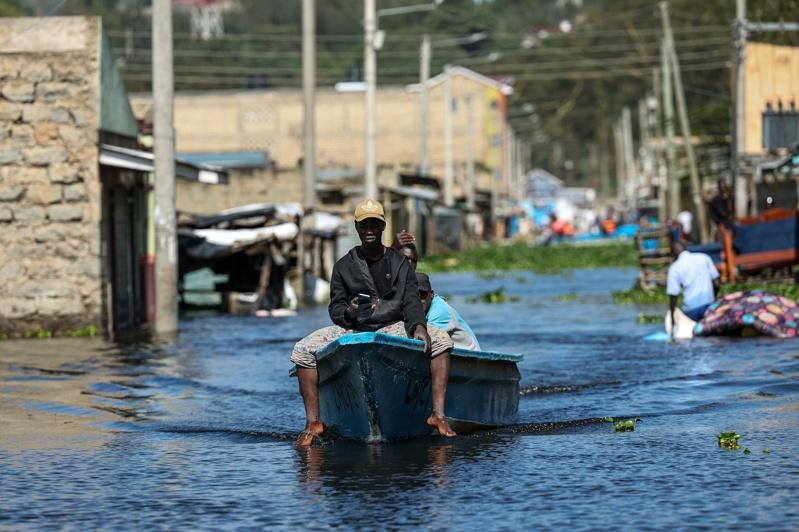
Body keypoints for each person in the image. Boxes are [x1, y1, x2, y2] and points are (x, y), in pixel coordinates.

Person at [290, 199, 456, 446]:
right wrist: (349, 312)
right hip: (354, 328)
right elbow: (335, 308)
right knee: (301, 351)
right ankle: (313, 422)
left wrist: (419, 327)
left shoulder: (400, 263)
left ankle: (437, 415)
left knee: (441, 340)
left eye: (375, 224)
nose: (370, 229)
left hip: (391, 326)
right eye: (364, 224)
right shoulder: (343, 266)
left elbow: (411, 301)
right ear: (357, 228)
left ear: (382, 227)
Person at [417, 272, 481, 351]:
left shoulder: (439, 312)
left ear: (431, 294)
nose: (419, 299)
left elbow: (423, 340)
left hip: (470, 356)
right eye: (416, 294)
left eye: (423, 294)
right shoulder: (426, 307)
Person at [667, 240, 720, 332]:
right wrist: (714, 299)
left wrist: (672, 319)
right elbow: (717, 283)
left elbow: (673, 296)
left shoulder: (674, 268)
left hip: (691, 311)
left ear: (673, 255)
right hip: (709, 306)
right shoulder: (704, 257)